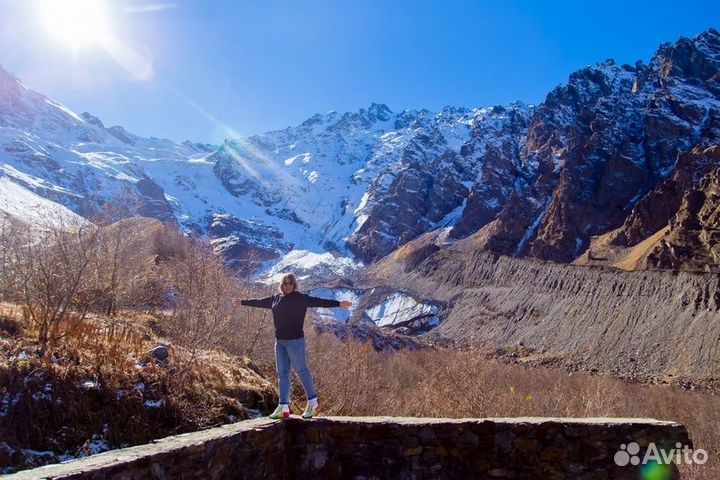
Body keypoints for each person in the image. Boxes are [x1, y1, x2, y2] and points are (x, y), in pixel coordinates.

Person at [240, 273, 352, 419]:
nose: (287, 286)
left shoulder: (301, 298)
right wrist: (242, 302)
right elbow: (259, 302)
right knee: (282, 374)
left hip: (295, 342)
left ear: (294, 285)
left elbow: (319, 301)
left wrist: (338, 304)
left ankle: (313, 403)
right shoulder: (275, 298)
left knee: (302, 370)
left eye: (290, 283)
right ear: (281, 285)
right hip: (279, 342)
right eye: (285, 283)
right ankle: (283, 406)